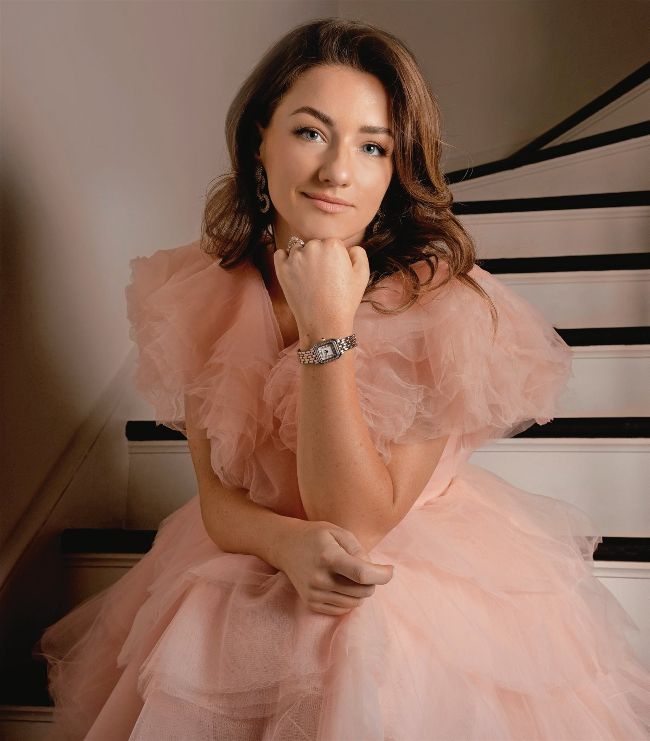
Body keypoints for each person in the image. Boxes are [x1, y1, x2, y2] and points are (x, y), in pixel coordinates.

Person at [33, 17, 649, 740]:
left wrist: (327, 325)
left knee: (350, 626)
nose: (337, 171)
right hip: (264, 543)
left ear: (395, 169)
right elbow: (219, 503)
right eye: (310, 132)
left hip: (398, 552)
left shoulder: (441, 304)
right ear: (259, 140)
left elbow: (357, 523)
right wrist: (286, 545)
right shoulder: (204, 291)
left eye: (372, 146)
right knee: (223, 615)